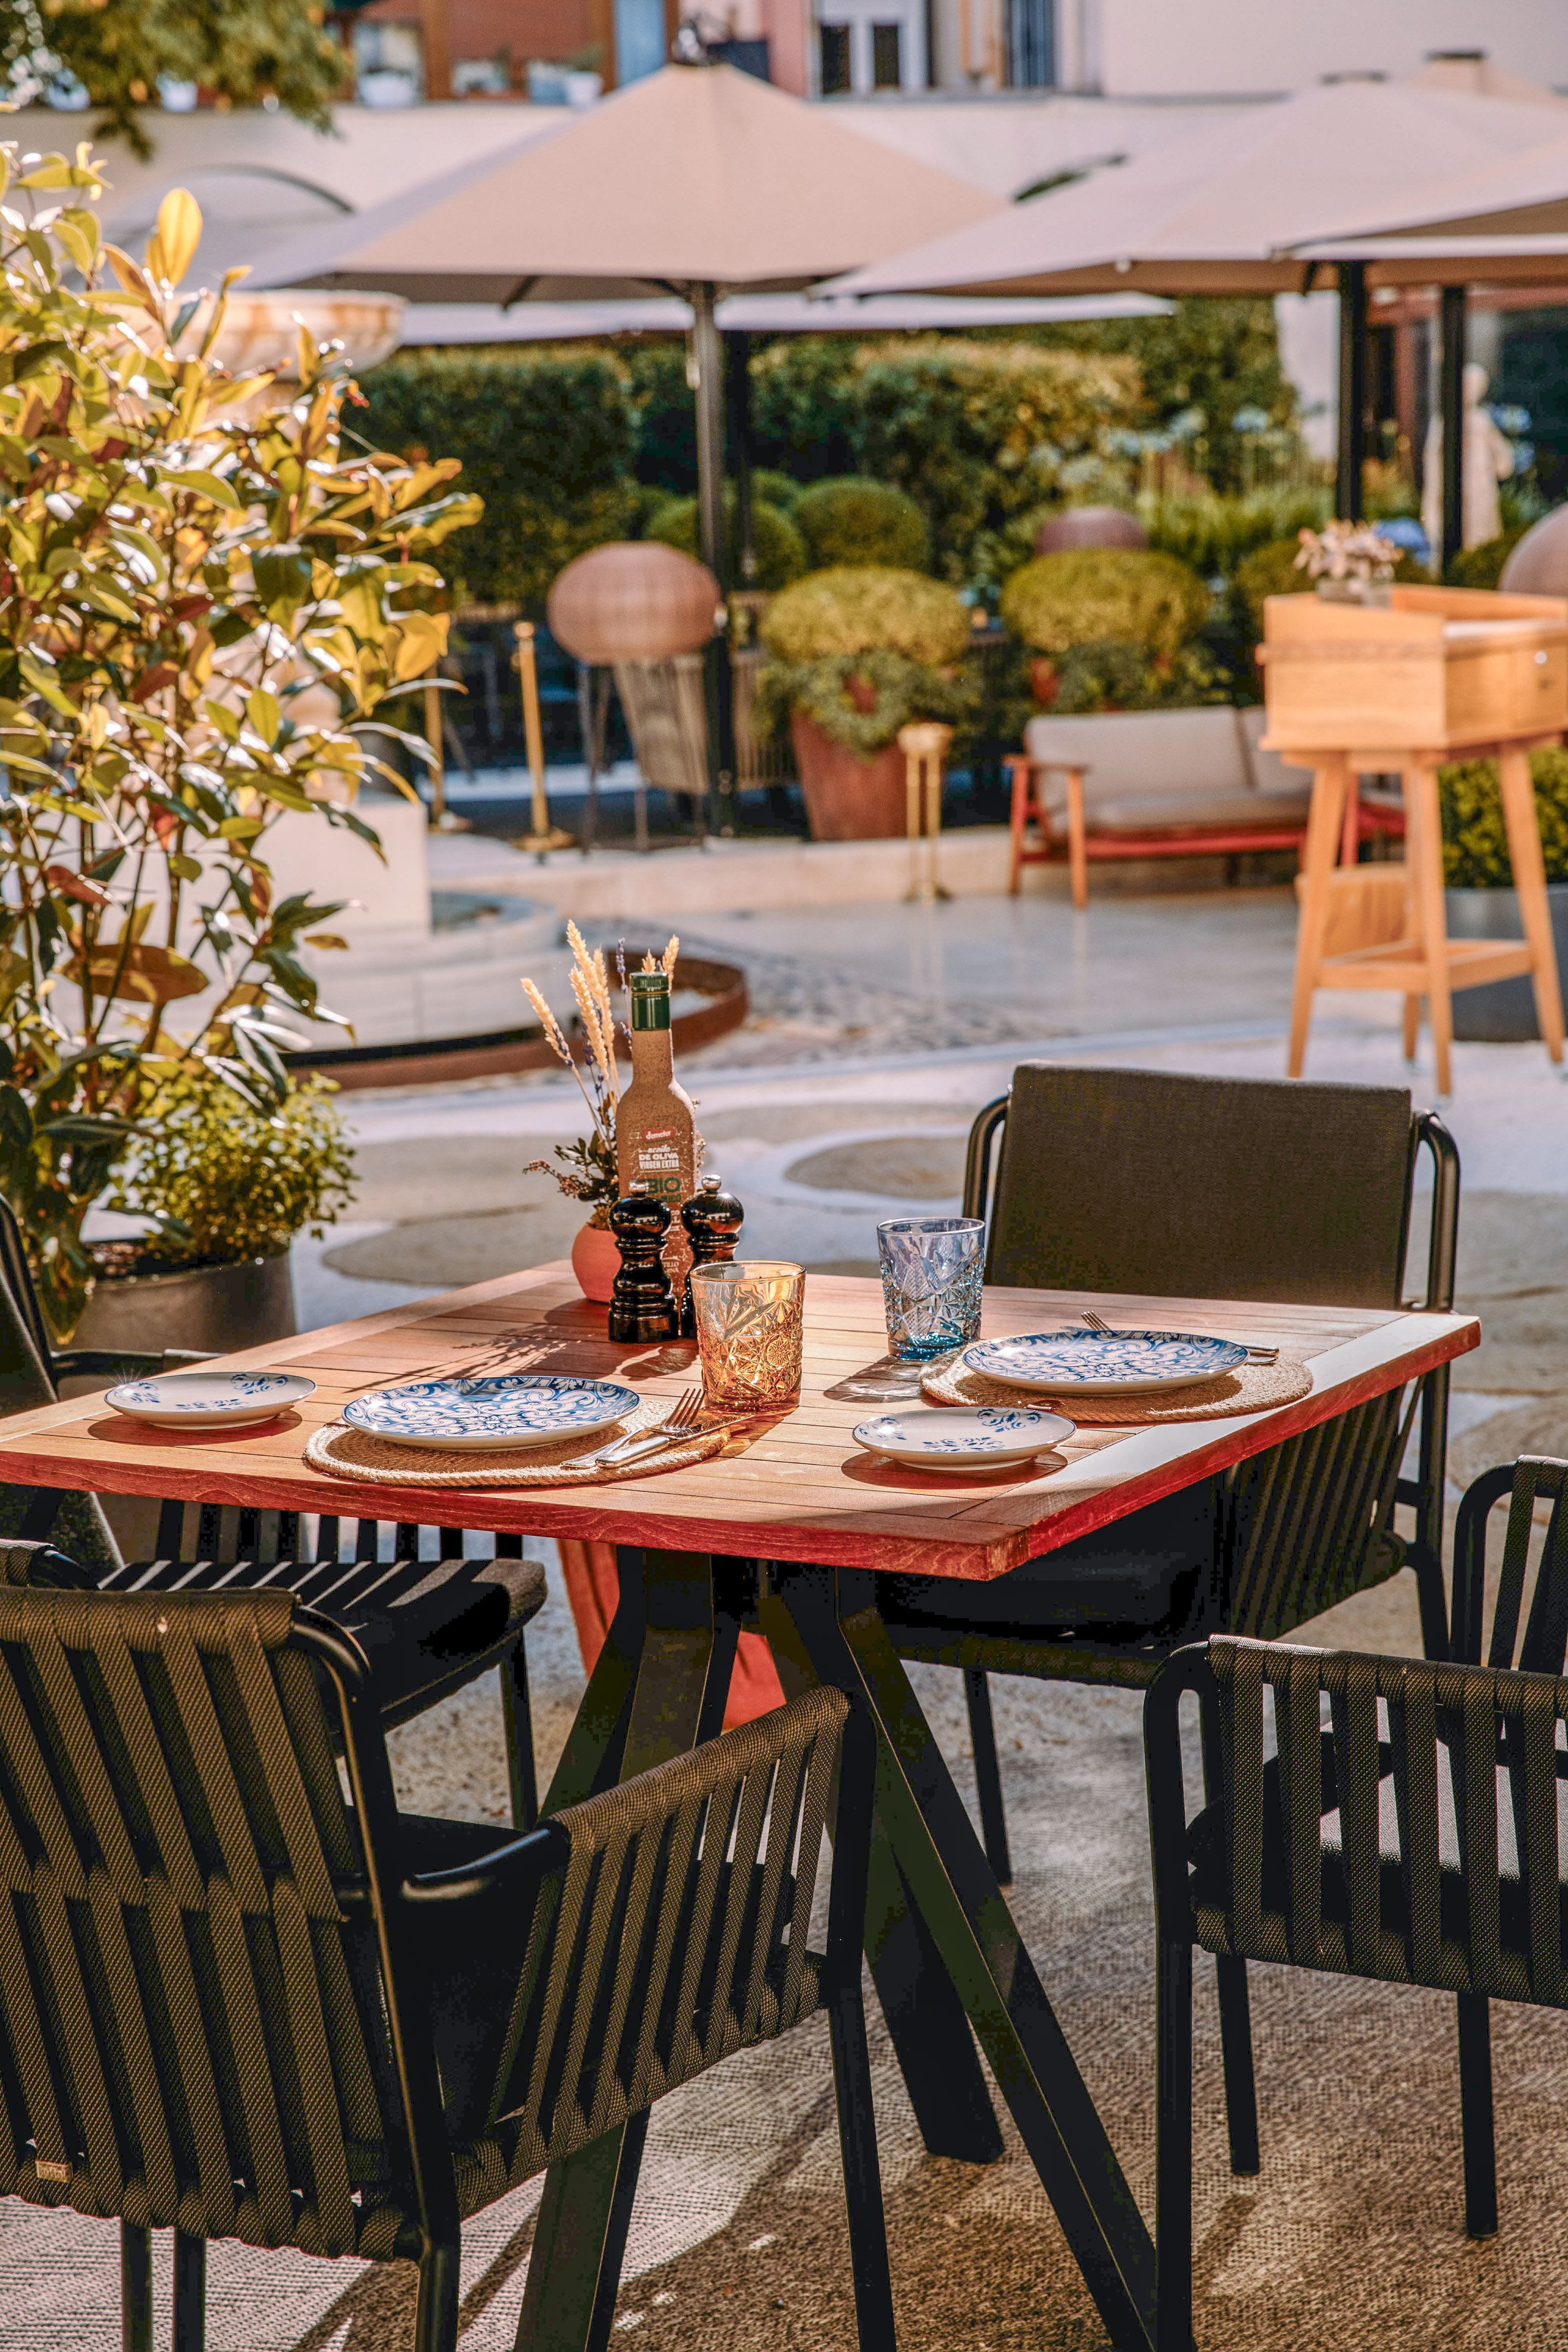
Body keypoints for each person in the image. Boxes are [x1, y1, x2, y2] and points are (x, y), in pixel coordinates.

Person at [1422, 362, 1515, 555]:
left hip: (1481, 486)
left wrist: (1499, 466)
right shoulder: (1445, 421)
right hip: (1457, 487)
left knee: (1481, 535)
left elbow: (1503, 459)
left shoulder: (1482, 421)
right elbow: (1433, 458)